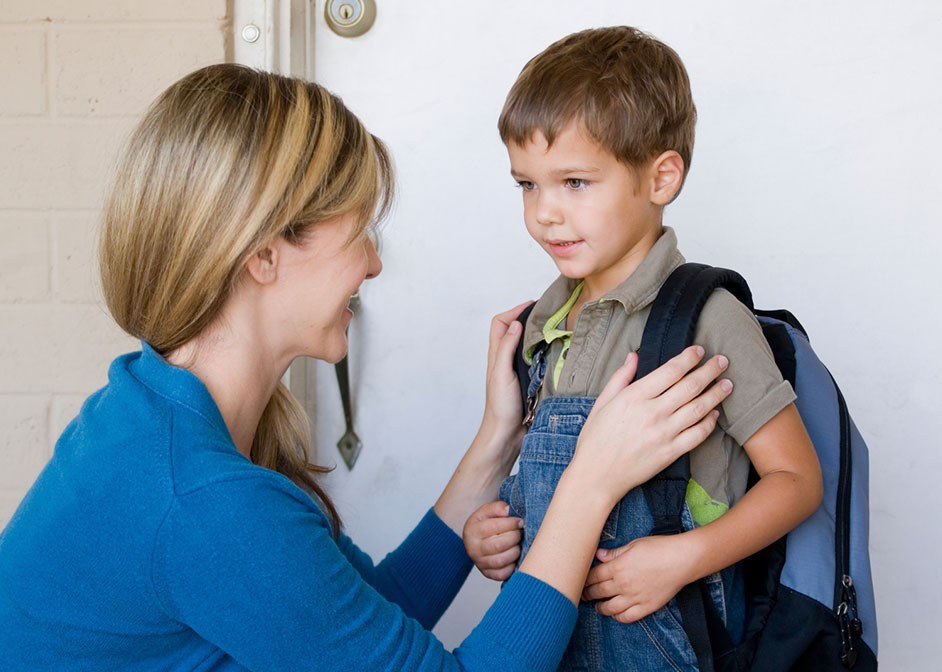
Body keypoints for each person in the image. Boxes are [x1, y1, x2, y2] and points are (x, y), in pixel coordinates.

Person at [0, 64, 734, 671]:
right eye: (361, 232)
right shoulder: (206, 501)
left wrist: (495, 443)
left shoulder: (147, 410)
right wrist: (591, 483)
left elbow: (364, 620)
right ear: (263, 254)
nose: (375, 265)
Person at [462, 26, 824, 671]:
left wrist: (683, 558)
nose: (544, 212)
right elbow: (551, 497)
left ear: (660, 178)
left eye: (574, 182)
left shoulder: (705, 318)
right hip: (549, 647)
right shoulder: (545, 329)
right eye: (527, 184)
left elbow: (796, 482)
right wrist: (494, 532)